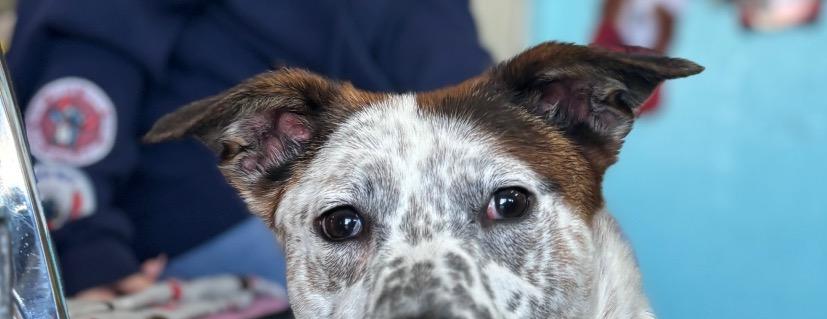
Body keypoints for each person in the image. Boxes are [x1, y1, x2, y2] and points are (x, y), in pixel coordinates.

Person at [8, 0, 490, 299]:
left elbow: (462, 87)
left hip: (362, 203)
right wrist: (81, 242)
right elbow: (89, 44)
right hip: (201, 208)